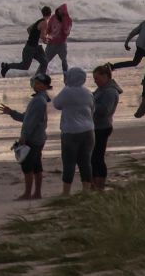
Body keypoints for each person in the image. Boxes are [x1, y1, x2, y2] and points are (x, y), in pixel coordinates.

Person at [0, 73, 52, 200]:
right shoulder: (40, 98)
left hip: (33, 138)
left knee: (28, 166)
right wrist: (11, 112)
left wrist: (24, 137)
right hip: (39, 137)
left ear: (45, 86)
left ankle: (28, 193)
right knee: (36, 165)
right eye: (35, 82)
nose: (35, 85)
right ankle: (36, 193)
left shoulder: (39, 100)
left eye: (39, 83)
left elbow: (31, 122)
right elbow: (26, 117)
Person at [53, 67, 95, 195]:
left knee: (69, 162)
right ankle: (86, 190)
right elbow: (93, 108)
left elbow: (56, 104)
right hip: (88, 131)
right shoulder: (88, 92)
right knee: (86, 161)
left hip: (70, 131)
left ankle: (66, 192)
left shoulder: (67, 92)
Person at [91, 64, 122, 190]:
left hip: (102, 127)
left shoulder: (109, 91)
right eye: (94, 79)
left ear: (105, 77)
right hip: (97, 126)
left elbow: (104, 110)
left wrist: (90, 105)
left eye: (97, 78)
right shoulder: (102, 89)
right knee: (93, 157)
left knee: (97, 157)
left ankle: (100, 185)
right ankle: (94, 183)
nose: (95, 81)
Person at [1, 6, 51, 77]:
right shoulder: (45, 23)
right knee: (25, 66)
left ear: (42, 13)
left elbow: (29, 29)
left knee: (44, 62)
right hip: (30, 48)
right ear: (50, 14)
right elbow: (43, 36)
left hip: (35, 47)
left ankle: (39, 78)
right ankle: (6, 66)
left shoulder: (39, 21)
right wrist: (49, 38)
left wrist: (35, 37)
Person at [44, 4, 72, 74]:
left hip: (61, 44)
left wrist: (64, 22)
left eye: (62, 11)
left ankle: (66, 77)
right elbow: (48, 29)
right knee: (44, 61)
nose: (60, 12)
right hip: (51, 44)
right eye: (59, 10)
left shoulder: (68, 20)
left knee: (64, 61)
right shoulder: (53, 17)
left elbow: (67, 32)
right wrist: (45, 37)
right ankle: (38, 75)